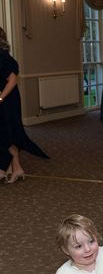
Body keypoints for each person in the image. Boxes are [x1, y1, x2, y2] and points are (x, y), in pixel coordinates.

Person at [0, 27, 49, 183]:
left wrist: (0, 98)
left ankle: (9, 168)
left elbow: (12, 80)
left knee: (7, 133)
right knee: (6, 134)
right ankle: (12, 168)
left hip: (7, 101)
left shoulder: (2, 56)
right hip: (6, 99)